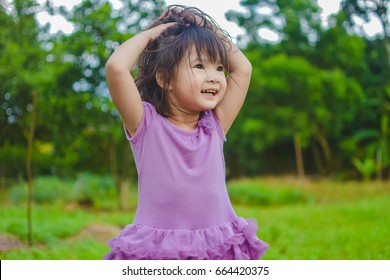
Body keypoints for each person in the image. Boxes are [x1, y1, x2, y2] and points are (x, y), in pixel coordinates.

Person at [103, 5, 268, 260]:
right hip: (159, 249)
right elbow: (116, 68)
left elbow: (243, 69)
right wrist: (151, 35)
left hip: (217, 246)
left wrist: (206, 27)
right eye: (200, 66)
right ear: (165, 78)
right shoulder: (145, 124)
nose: (214, 77)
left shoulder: (214, 125)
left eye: (219, 68)